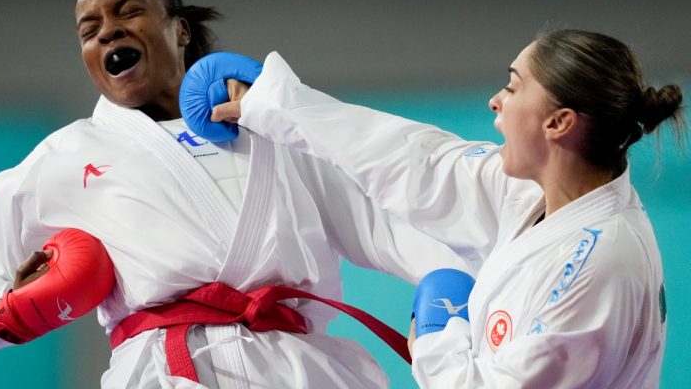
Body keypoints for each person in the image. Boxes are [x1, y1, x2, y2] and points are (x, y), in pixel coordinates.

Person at [0, 0, 461, 389]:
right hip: (164, 370)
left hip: (299, 368)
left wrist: (461, 291)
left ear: (179, 28)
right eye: (90, 30)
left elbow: (392, 224)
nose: (107, 30)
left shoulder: (272, 127)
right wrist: (12, 310)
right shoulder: (63, 156)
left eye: (127, 11)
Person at [210, 29, 685, 387]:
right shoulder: (534, 193)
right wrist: (273, 103)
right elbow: (414, 159)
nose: (495, 101)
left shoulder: (597, 267)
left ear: (559, 123)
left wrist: (438, 336)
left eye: (514, 88)